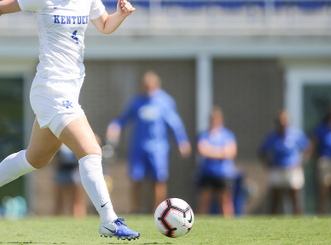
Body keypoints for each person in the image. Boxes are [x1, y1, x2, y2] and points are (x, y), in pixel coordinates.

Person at [0, 0, 139, 240]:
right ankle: (109, 221)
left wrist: (121, 15)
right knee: (91, 151)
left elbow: (105, 25)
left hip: (68, 91)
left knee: (36, 159)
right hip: (49, 89)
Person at [106, 71, 191, 213]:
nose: (147, 89)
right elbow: (123, 118)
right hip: (138, 147)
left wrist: (182, 141)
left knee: (158, 179)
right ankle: (136, 209)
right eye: (144, 86)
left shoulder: (165, 101)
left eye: (150, 85)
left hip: (158, 148)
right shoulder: (137, 102)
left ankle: (158, 211)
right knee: (136, 178)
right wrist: (115, 126)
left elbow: (175, 124)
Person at [259, 110, 311, 215]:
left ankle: (298, 223)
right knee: (275, 199)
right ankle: (271, 223)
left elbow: (308, 147)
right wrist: (268, 164)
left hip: (292, 168)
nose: (282, 123)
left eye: (284, 120)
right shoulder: (273, 137)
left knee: (295, 199)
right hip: (277, 168)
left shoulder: (296, 134)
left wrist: (301, 162)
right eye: (280, 121)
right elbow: (262, 151)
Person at [196, 106, 237, 218]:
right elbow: (202, 150)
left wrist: (211, 150)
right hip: (207, 173)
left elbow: (231, 152)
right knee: (204, 203)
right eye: (212, 118)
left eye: (216, 118)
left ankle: (230, 228)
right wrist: (221, 152)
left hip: (223, 174)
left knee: (225, 203)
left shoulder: (227, 135)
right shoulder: (204, 135)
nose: (214, 120)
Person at [53, 143, 87, 218]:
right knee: (59, 200)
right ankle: (56, 222)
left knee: (77, 200)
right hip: (61, 170)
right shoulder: (59, 139)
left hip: (74, 170)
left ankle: (79, 221)